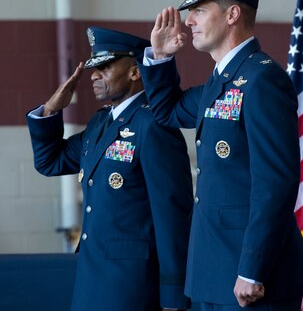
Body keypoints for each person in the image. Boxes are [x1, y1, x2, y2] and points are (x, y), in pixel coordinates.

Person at [138, 0, 303, 311]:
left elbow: (275, 183)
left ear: (233, 13)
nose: (189, 21)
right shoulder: (220, 83)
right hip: (213, 270)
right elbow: (168, 111)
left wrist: (253, 267)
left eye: (200, 10)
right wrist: (159, 58)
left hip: (253, 276)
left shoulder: (262, 80)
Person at [26, 27, 193, 311]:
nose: (93, 74)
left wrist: (173, 295)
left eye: (104, 66)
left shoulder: (152, 126)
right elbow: (49, 161)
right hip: (92, 279)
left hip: (132, 284)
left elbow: (172, 214)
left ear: (135, 72)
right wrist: (51, 111)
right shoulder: (100, 124)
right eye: (93, 67)